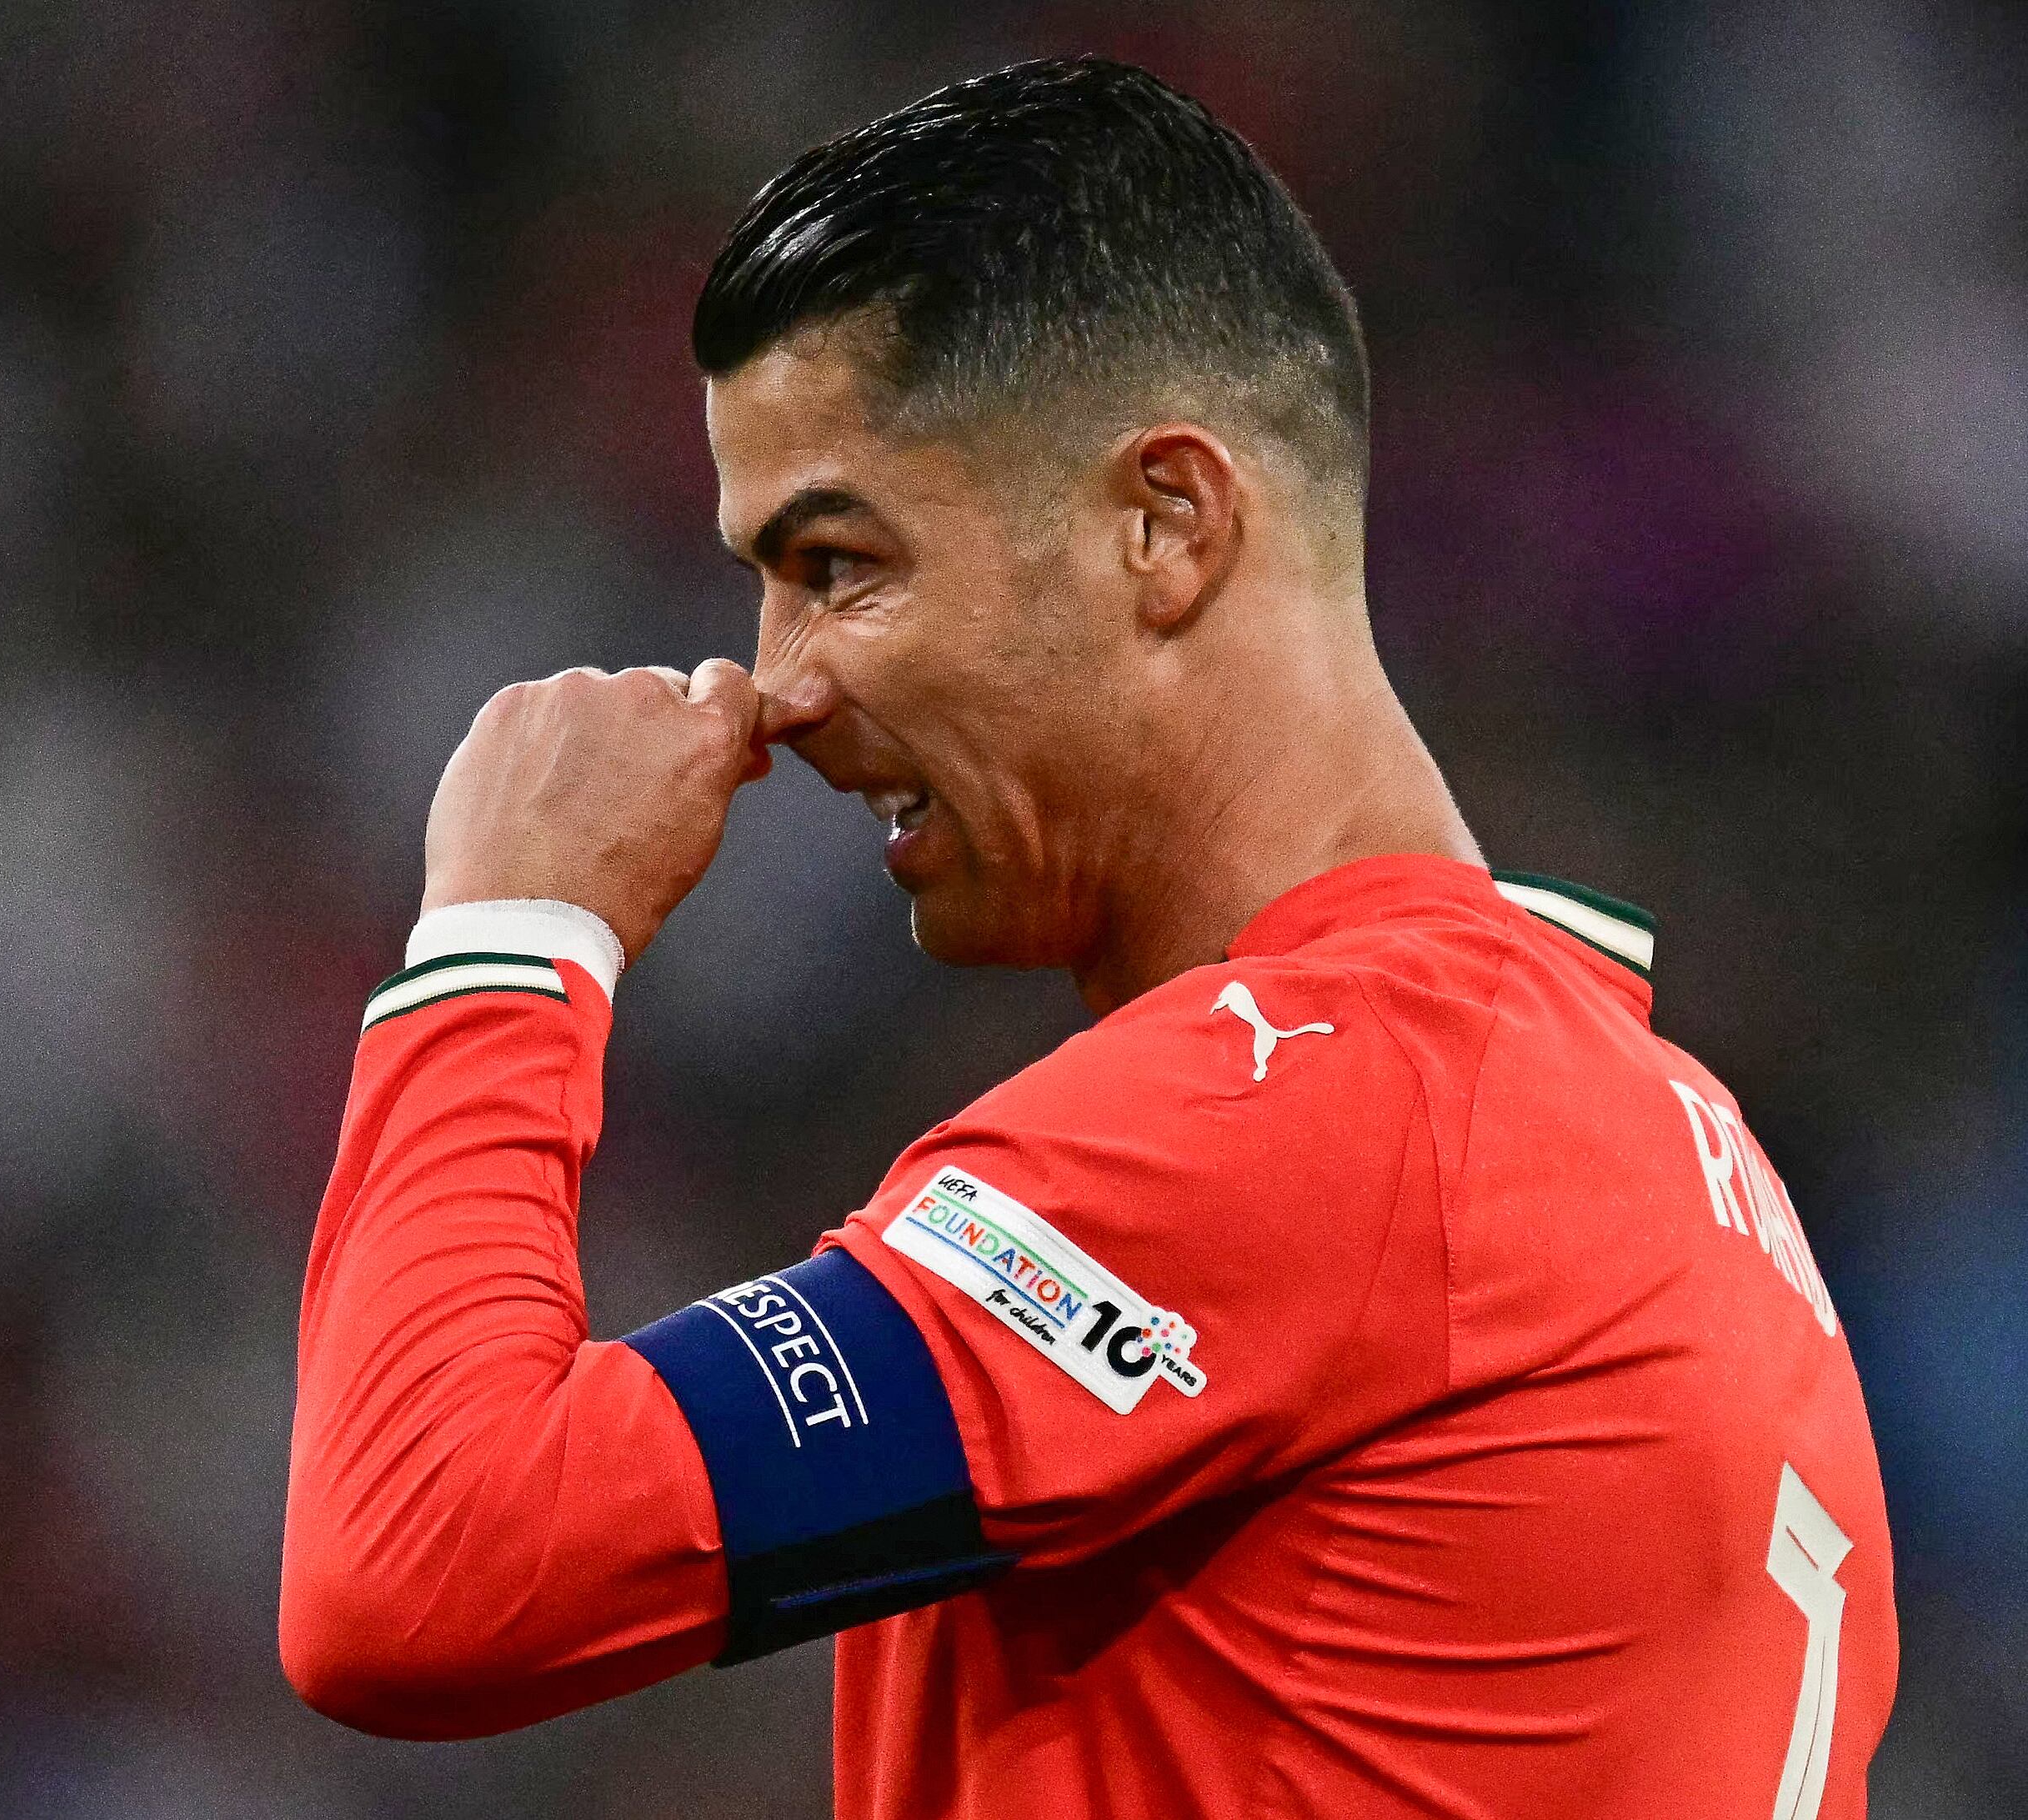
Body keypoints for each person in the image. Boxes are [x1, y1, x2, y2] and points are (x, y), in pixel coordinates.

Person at [280, 56, 1895, 1818]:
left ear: (1167, 524)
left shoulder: (1318, 1113)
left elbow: (418, 1568)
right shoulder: (1665, 1148)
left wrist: (510, 942)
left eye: (840, 564)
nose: (784, 684)